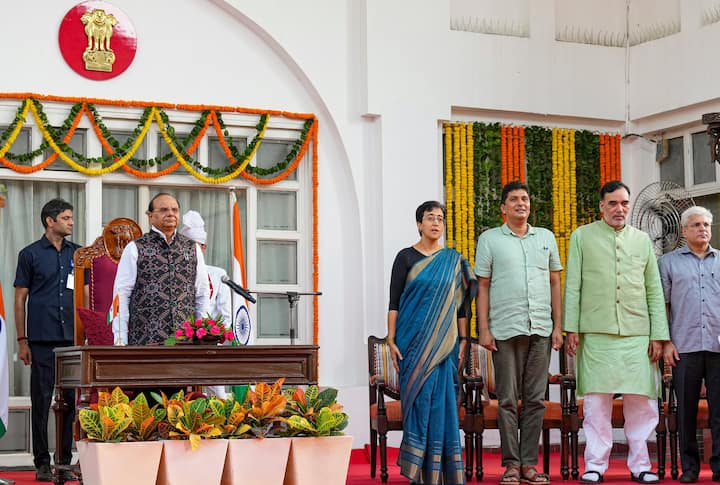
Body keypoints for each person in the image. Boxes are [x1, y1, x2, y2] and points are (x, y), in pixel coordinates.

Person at [563, 180, 669, 484]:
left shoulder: (642, 239)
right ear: (602, 206)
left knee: (643, 403)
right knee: (597, 403)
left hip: (637, 333)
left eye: (624, 203)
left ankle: (640, 466)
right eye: (613, 203)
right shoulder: (582, 237)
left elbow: (653, 288)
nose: (619, 209)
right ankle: (595, 464)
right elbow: (573, 285)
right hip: (596, 332)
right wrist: (572, 328)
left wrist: (658, 335)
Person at [474, 181, 563, 485]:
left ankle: (529, 464)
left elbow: (554, 283)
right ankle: (511, 464)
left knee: (536, 399)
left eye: (525, 199)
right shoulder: (490, 239)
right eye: (514, 200)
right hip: (504, 329)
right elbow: (482, 287)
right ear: (503, 207)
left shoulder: (546, 238)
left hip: (540, 327)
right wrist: (483, 329)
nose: (520, 204)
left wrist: (558, 326)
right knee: (509, 399)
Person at [387, 200, 476, 485]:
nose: (436, 223)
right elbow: (394, 301)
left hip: (445, 345)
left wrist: (464, 339)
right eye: (430, 218)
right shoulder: (405, 258)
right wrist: (390, 339)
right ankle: (418, 473)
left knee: (442, 403)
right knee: (419, 401)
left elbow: (462, 307)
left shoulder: (453, 260)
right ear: (419, 224)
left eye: (440, 218)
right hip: (411, 343)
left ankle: (443, 472)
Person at [13, 198, 79, 482]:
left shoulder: (79, 255)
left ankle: (64, 460)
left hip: (72, 341)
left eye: (71, 217)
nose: (71, 222)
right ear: (50, 221)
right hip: (41, 340)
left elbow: (88, 295)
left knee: (69, 403)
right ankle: (41, 462)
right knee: (41, 401)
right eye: (66, 218)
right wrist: (22, 340)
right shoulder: (29, 254)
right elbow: (19, 300)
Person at [659, 206, 720, 483]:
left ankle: (719, 467)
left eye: (706, 224)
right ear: (684, 231)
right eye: (696, 224)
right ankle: (690, 468)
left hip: (718, 347)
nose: (703, 228)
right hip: (684, 346)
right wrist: (667, 342)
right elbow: (662, 306)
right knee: (686, 411)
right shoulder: (669, 263)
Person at [112, 193, 210, 345]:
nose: (170, 213)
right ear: (150, 216)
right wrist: (120, 339)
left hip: (186, 342)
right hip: (146, 341)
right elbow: (121, 295)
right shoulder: (135, 248)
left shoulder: (192, 248)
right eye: (164, 209)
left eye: (174, 210)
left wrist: (203, 335)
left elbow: (202, 294)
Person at [180, 209, 233, 397]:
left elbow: (225, 312)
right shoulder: (176, 273)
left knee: (217, 388)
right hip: (179, 338)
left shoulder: (218, 273)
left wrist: (215, 334)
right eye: (189, 246)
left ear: (205, 248)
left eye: (198, 246)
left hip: (209, 340)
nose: (195, 251)